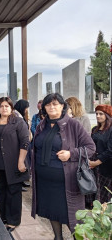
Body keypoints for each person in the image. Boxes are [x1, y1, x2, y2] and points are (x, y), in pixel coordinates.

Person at [31, 93, 96, 239]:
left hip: (66, 181)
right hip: (45, 180)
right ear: (44, 108)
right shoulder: (43, 124)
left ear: (62, 106)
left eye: (55, 104)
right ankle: (58, 237)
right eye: (48, 104)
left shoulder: (73, 124)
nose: (52, 107)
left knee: (71, 215)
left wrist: (70, 153)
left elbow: (91, 147)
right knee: (52, 210)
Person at [0, 97, 30, 232]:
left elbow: (25, 141)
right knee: (2, 191)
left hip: (14, 163)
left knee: (14, 192)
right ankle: (4, 218)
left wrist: (21, 161)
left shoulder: (18, 122)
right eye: (1, 106)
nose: (4, 108)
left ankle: (13, 221)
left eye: (7, 106)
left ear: (11, 108)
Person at [89, 104, 112, 204]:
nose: (98, 116)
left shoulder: (111, 130)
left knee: (106, 194)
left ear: (107, 115)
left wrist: (96, 162)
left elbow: (110, 150)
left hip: (107, 167)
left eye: (101, 114)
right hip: (93, 165)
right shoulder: (95, 129)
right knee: (96, 192)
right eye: (96, 113)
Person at [14, 99, 31, 191]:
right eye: (26, 108)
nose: (27, 110)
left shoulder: (19, 114)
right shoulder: (16, 115)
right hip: (19, 145)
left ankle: (22, 181)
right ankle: (20, 183)